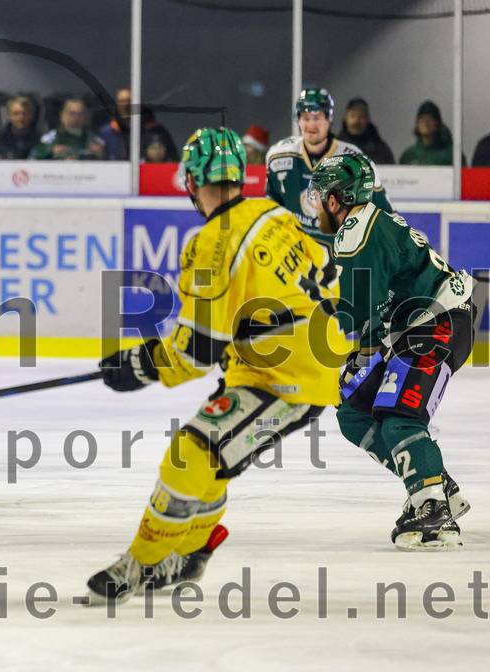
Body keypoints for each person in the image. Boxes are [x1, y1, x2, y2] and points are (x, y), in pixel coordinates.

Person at [86, 128, 345, 604]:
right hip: (301, 363)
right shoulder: (273, 212)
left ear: (191, 182)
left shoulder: (210, 243)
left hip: (287, 378)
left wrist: (139, 366)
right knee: (212, 461)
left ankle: (142, 565)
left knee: (191, 452)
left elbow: (196, 353)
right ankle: (188, 554)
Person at [311, 153, 474, 550]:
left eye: (319, 197)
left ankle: (434, 512)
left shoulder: (355, 233)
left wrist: (362, 356)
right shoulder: (369, 218)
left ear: (335, 200)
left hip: (438, 322)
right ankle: (434, 482)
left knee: (399, 416)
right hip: (416, 326)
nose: (315, 206)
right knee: (353, 411)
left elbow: (363, 315)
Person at [266, 87, 394, 252]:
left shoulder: (355, 162)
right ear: (297, 120)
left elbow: (386, 214)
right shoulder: (279, 157)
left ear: (329, 119)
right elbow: (272, 211)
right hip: (296, 263)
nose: (311, 124)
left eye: (317, 118)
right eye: (305, 118)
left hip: (341, 262)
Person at [98, 87, 178, 162]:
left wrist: (160, 156)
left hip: (148, 173)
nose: (126, 105)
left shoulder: (156, 131)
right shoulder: (108, 132)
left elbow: (173, 159)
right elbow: (100, 160)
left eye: (130, 101)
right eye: (122, 101)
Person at [30, 97, 105, 160]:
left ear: (86, 117)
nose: (76, 118)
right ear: (62, 116)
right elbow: (31, 162)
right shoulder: (48, 140)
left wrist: (101, 154)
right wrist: (50, 152)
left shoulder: (96, 142)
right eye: (71, 113)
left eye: (80, 114)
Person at [399, 100, 460, 166]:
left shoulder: (452, 156)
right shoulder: (409, 156)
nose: (425, 123)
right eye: (422, 119)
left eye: (430, 119)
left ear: (437, 124)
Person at [336, 98, 395, 165]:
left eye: (361, 116)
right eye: (353, 116)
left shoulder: (380, 149)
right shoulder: (335, 147)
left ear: (367, 119)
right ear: (345, 119)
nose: (356, 120)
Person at [0, 96, 40, 160]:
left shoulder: (41, 141)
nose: (21, 118)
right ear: (9, 115)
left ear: (32, 116)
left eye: (25, 113)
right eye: (16, 113)